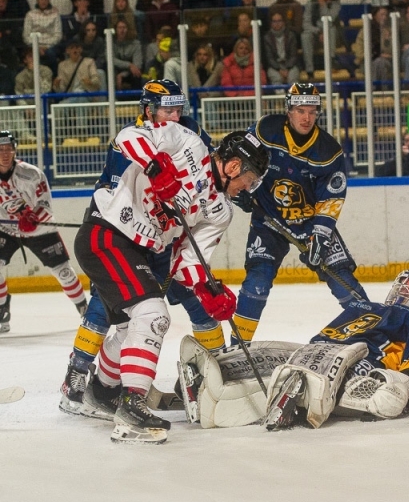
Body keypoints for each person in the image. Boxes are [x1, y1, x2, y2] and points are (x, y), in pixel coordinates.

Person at [72, 106, 271, 444]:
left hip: (142, 252)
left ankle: (102, 393)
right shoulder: (186, 143)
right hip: (107, 232)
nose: (245, 189)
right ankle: (131, 405)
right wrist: (153, 166)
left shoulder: (221, 211)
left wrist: (209, 290)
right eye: (247, 181)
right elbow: (127, 137)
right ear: (234, 166)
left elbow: (187, 261)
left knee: (127, 330)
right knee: (153, 315)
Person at [58, 79, 225, 417]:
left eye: (179, 108)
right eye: (168, 109)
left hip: (166, 241)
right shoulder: (133, 139)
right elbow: (119, 188)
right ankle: (77, 374)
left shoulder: (190, 134)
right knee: (107, 307)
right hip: (128, 236)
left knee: (197, 298)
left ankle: (218, 369)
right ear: (149, 109)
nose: (175, 115)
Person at [178, 268, 409, 428]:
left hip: (359, 369)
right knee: (262, 354)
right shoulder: (365, 306)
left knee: (294, 378)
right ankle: (210, 381)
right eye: (403, 284)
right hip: (318, 351)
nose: (405, 289)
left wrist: (405, 387)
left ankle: (219, 398)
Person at [230, 83, 369, 345]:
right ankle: (238, 347)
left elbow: (331, 197)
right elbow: (239, 158)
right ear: (288, 110)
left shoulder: (328, 151)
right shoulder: (266, 129)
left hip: (310, 223)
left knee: (344, 282)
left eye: (312, 111)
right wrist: (242, 189)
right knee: (256, 283)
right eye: (300, 110)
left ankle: (377, 335)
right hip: (268, 219)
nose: (306, 117)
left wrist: (321, 235)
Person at [0, 130, 88, 334]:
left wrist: (33, 218)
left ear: (14, 151)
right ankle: (2, 310)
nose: (4, 154)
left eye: (8, 149)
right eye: (0, 149)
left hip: (39, 230)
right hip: (5, 228)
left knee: (64, 272)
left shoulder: (31, 174)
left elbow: (46, 206)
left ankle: (85, 310)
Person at [301, 0, 342, 76]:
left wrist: (323, 6)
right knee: (305, 36)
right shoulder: (311, 3)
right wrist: (319, 32)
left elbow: (329, 20)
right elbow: (306, 24)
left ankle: (331, 63)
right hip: (316, 35)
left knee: (331, 30)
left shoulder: (335, 4)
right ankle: (309, 69)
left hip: (332, 36)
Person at [22, 0, 61, 74]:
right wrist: (37, 47)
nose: (43, 1)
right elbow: (26, 36)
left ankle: (53, 77)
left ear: (49, 0)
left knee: (51, 54)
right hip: (33, 45)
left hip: (50, 46)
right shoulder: (30, 15)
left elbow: (58, 35)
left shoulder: (55, 14)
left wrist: (46, 47)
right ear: (37, 0)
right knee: (31, 56)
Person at [352, 6, 392, 85]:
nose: (384, 17)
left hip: (387, 63)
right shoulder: (365, 32)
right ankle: (384, 92)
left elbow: (391, 53)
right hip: (367, 63)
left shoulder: (389, 31)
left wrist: (387, 40)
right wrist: (375, 55)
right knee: (379, 62)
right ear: (375, 15)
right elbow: (359, 53)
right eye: (382, 15)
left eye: (386, 15)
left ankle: (375, 91)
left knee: (381, 63)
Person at [263, 11, 301, 86]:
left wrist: (287, 68)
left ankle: (293, 98)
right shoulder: (267, 37)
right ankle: (280, 98)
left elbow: (293, 56)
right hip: (274, 66)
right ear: (271, 23)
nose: (277, 23)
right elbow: (269, 58)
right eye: (274, 21)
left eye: (279, 21)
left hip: (290, 65)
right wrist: (279, 69)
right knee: (276, 79)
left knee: (293, 78)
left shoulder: (291, 35)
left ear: (283, 22)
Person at [111, 18, 142, 90]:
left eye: (124, 27)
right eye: (119, 28)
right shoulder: (111, 42)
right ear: (115, 29)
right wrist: (129, 65)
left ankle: (136, 99)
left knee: (136, 74)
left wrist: (122, 74)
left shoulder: (135, 43)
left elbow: (137, 64)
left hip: (129, 73)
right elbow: (111, 59)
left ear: (128, 29)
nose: (122, 30)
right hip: (116, 70)